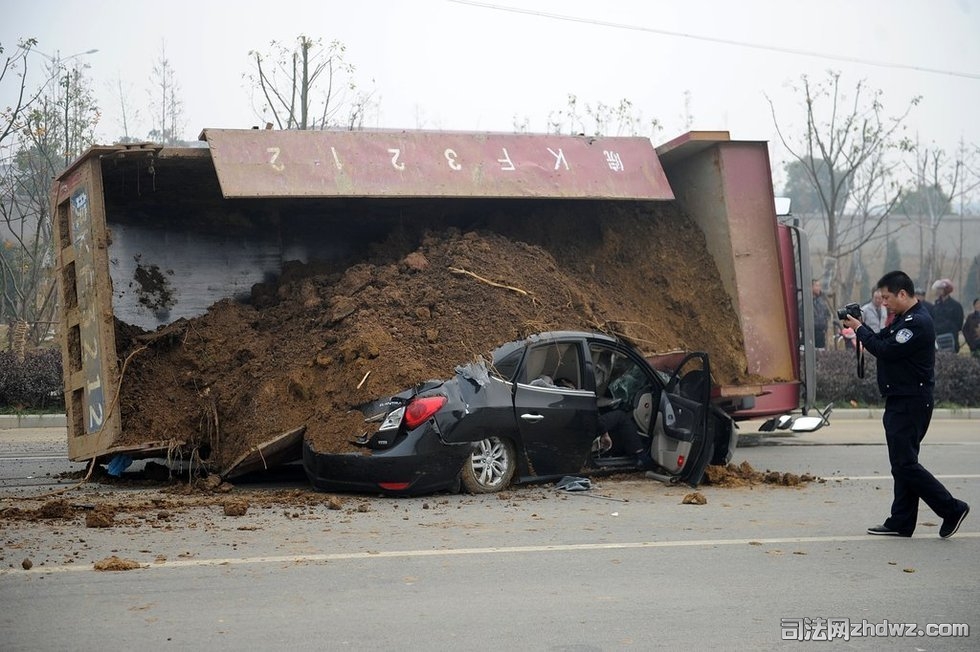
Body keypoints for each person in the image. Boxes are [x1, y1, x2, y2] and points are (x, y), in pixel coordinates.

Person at [843, 270, 969, 539]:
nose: (884, 302)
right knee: (903, 462)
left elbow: (886, 350)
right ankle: (901, 520)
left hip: (911, 401)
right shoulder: (903, 319)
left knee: (905, 465)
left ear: (902, 293)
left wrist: (859, 329)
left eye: (887, 297)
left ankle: (952, 508)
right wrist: (862, 326)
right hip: (902, 399)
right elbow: (882, 341)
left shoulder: (917, 323)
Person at [930, 279, 964, 351]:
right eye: (938, 289)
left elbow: (959, 323)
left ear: (947, 290)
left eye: (941, 289)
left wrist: (950, 327)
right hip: (937, 337)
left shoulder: (956, 306)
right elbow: (932, 319)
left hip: (950, 337)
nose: (938, 291)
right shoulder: (936, 304)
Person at [811, 279, 831, 349]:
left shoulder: (822, 301)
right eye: (816, 286)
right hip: (810, 334)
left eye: (819, 286)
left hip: (821, 335)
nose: (818, 288)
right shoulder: (805, 302)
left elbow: (827, 314)